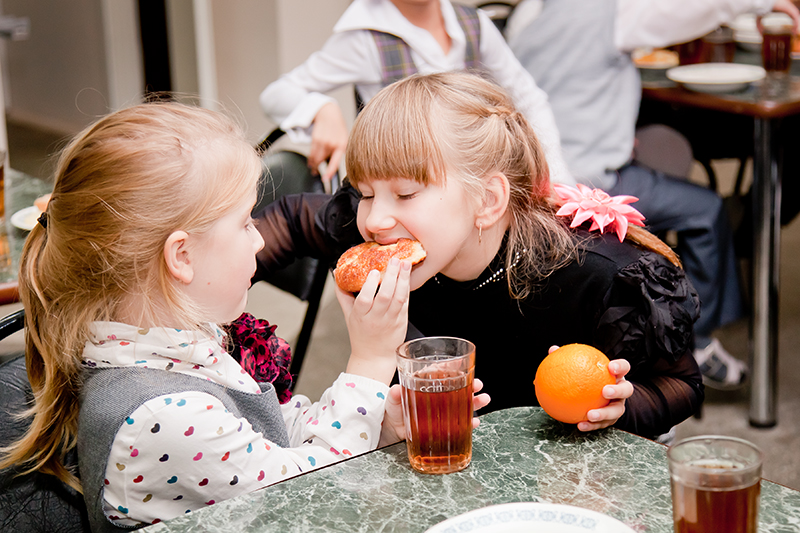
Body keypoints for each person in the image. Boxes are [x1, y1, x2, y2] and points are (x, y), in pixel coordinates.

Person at [0, 102, 490, 531]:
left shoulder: (169, 343)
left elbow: (269, 439)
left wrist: (377, 420)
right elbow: (314, 497)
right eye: (245, 222)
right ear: (181, 256)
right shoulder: (161, 418)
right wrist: (371, 360)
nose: (260, 239)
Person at [254, 71, 704, 441]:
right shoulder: (378, 230)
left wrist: (619, 406)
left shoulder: (603, 275)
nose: (374, 219)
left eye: (406, 193)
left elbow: (681, 385)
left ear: (487, 201)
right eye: (367, 192)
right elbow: (291, 220)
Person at [504, 0, 800, 391]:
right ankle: (697, 340)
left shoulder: (527, 15)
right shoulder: (611, 14)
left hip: (538, 170)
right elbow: (696, 11)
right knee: (705, 209)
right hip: (591, 180)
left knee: (666, 148)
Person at [258, 0, 573, 186]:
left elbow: (528, 98)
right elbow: (277, 93)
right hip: (407, 196)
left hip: (475, 187)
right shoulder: (364, 39)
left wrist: (555, 177)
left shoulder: (472, 25)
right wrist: (321, 109)